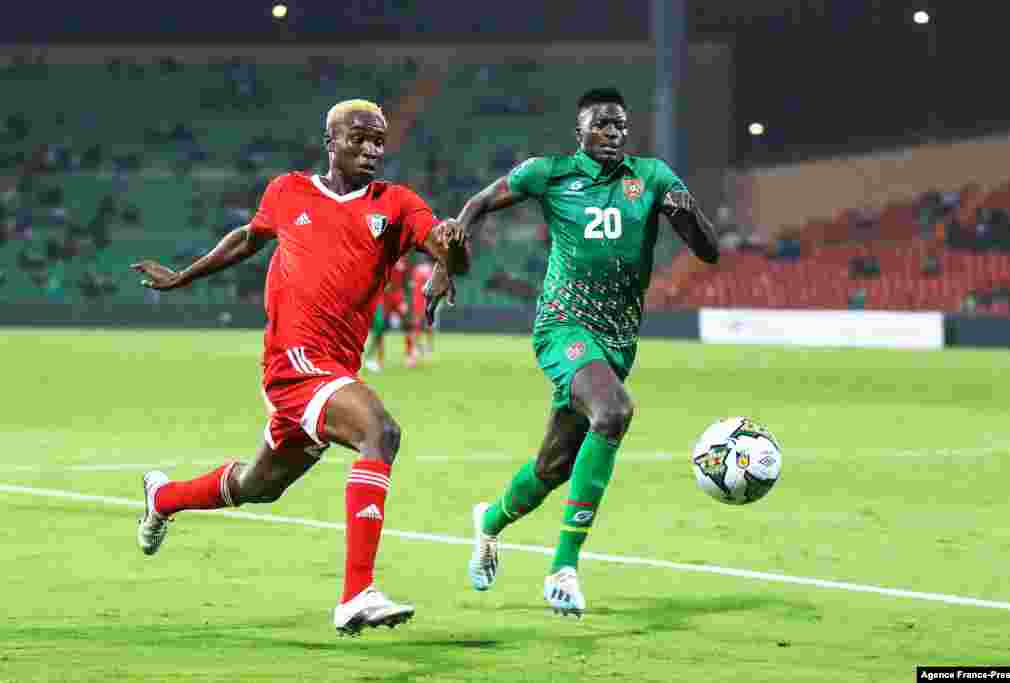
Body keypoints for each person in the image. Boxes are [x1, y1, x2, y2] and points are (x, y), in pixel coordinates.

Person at [130, 99, 467, 636]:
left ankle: (163, 498)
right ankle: (356, 594)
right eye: (359, 138)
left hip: (334, 368)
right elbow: (248, 238)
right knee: (380, 432)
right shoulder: (288, 190)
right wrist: (184, 276)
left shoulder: (397, 204)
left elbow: (446, 248)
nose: (371, 149)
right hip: (293, 362)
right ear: (331, 142)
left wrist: (451, 253)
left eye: (379, 141)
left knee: (258, 485)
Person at [443, 87, 718, 618]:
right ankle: (563, 568)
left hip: (617, 340)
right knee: (613, 412)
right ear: (580, 132)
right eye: (602, 125)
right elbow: (477, 205)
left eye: (620, 126)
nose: (613, 134)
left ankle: (490, 522)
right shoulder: (548, 173)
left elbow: (707, 251)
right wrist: (446, 262)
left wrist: (689, 216)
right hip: (563, 326)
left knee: (553, 466)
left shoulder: (653, 177)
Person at [411, 255, 436, 359]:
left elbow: (412, 285)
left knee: (417, 324)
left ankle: (417, 347)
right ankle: (427, 347)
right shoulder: (430, 270)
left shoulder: (416, 270)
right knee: (427, 325)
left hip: (418, 300)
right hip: (426, 301)